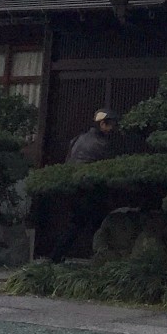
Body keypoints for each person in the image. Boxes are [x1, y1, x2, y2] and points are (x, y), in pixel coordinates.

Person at [47, 110, 117, 262]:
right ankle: (98, 259)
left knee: (75, 225)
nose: (112, 128)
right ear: (102, 124)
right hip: (91, 190)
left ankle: (56, 257)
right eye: (110, 124)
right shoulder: (102, 144)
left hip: (75, 188)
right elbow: (108, 168)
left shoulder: (78, 139)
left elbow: (68, 161)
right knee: (95, 226)